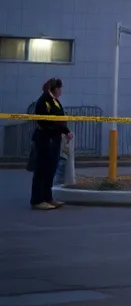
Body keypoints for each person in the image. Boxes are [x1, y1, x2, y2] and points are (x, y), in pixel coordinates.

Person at [30, 77, 71, 210]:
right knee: (42, 169)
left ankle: (48, 198)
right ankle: (37, 200)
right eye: (59, 88)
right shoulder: (44, 101)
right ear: (53, 89)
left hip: (54, 139)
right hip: (45, 139)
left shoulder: (55, 101)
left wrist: (66, 131)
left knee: (51, 170)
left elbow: (59, 118)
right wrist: (58, 130)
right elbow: (45, 122)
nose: (61, 91)